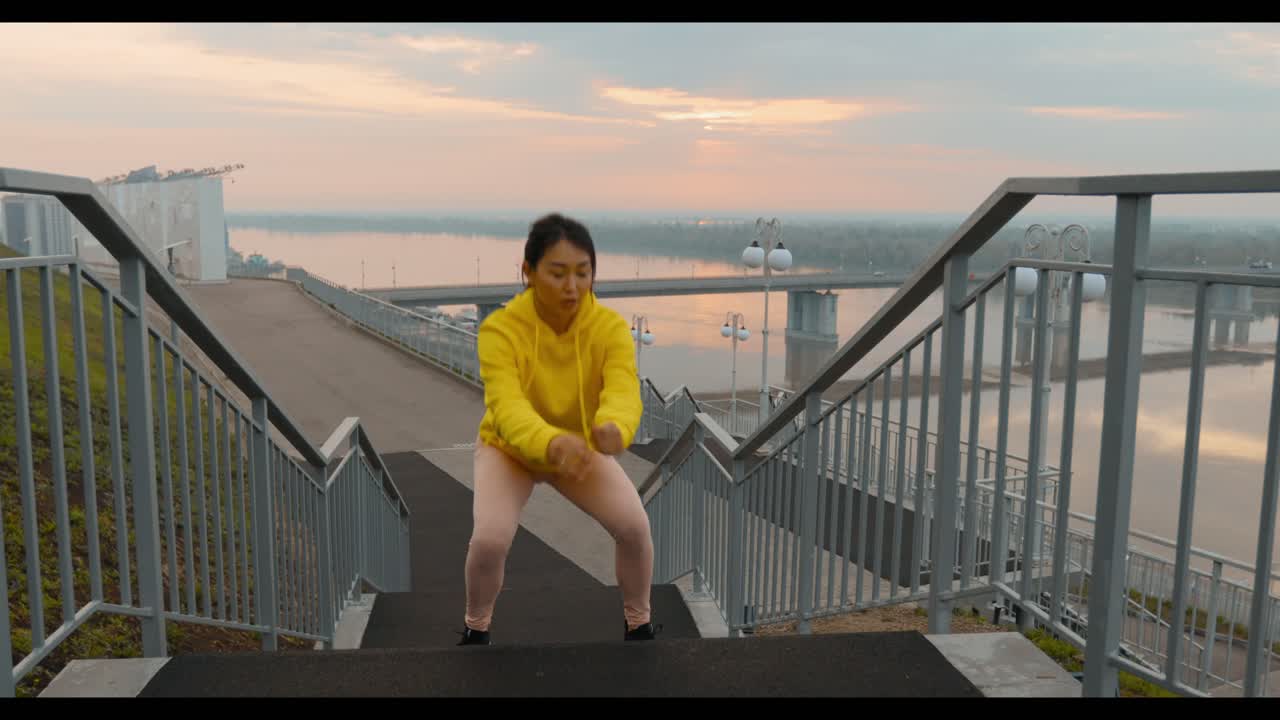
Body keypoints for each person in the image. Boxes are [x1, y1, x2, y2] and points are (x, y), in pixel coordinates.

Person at [458, 213, 658, 646]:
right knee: (490, 540)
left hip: (580, 450)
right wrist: (550, 442)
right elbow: (507, 406)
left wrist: (615, 426)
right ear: (528, 272)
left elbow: (623, 387)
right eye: (558, 272)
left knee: (634, 527)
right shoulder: (500, 330)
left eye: (583, 273)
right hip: (509, 450)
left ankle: (639, 624)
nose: (572, 286)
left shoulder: (608, 329)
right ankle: (476, 627)